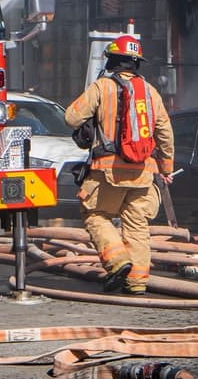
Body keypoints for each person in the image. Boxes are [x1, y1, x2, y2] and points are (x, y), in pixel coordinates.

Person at [64, 34, 175, 295]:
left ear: (113, 60)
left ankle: (117, 262)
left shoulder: (102, 87)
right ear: (136, 63)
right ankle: (137, 282)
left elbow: (71, 117)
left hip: (109, 170)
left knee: (95, 215)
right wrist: (166, 169)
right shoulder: (150, 92)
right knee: (137, 226)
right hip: (144, 173)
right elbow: (165, 133)